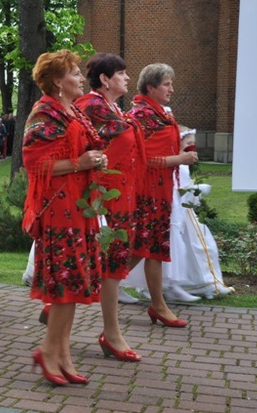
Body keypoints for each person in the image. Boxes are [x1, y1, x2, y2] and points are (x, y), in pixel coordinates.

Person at [22, 49, 106, 386]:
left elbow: (83, 151)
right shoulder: (43, 114)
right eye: (75, 73)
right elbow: (35, 165)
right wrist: (81, 163)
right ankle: (47, 351)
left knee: (71, 285)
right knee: (63, 287)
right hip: (59, 210)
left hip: (79, 207)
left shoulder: (72, 113)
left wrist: (94, 159)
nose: (82, 78)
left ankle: (62, 354)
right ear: (58, 81)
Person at [74, 53, 144, 362]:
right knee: (110, 259)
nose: (128, 78)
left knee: (110, 259)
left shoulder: (112, 108)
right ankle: (111, 333)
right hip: (103, 196)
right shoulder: (93, 106)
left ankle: (60, 306)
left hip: (119, 191)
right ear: (105, 79)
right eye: (121, 74)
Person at [126, 63, 198, 327]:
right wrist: (180, 157)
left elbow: (159, 152)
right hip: (147, 193)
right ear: (151, 87)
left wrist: (181, 147)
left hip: (160, 191)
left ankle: (158, 305)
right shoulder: (142, 116)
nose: (172, 89)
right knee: (139, 248)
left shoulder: (159, 114)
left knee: (153, 249)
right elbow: (145, 160)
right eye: (167, 84)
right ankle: (78, 294)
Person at [125, 127, 234, 301]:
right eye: (188, 143)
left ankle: (203, 284)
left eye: (193, 144)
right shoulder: (173, 163)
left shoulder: (181, 165)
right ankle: (162, 287)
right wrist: (192, 191)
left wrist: (194, 191)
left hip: (184, 215)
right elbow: (176, 190)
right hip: (174, 213)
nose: (192, 147)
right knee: (176, 250)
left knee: (199, 248)